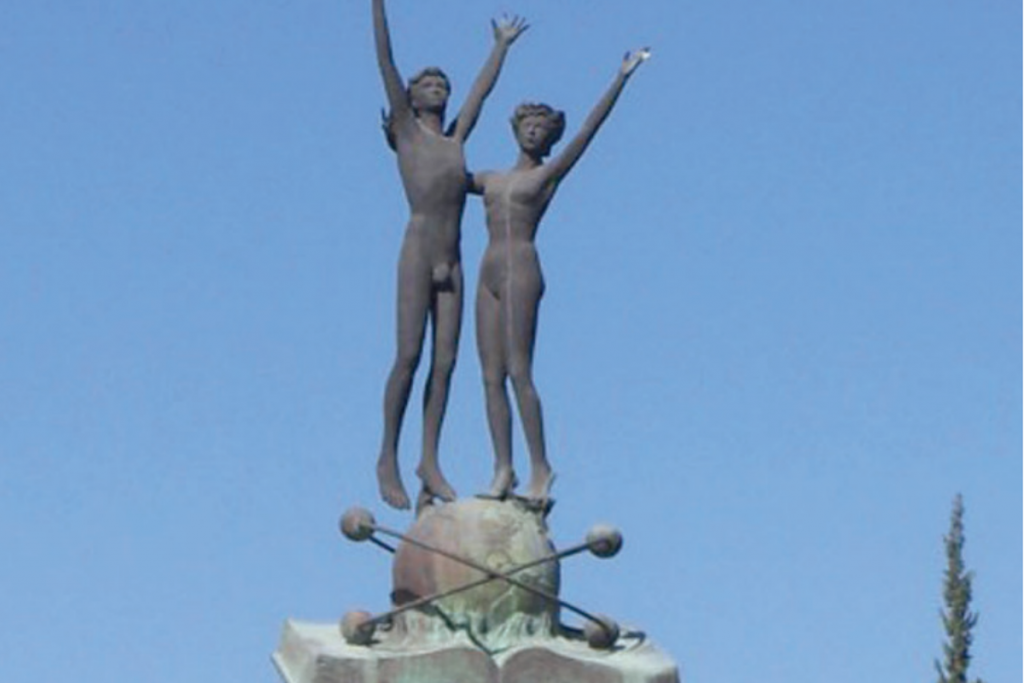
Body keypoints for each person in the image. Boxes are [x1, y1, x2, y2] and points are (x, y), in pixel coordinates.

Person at [470, 48, 649, 503]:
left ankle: (540, 468)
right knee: (489, 375)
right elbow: (442, 172)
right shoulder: (489, 179)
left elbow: (588, 131)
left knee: (518, 370)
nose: (532, 131)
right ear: (515, 130)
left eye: (540, 127)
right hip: (488, 269)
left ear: (548, 137)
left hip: (521, 266)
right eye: (527, 125)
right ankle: (503, 468)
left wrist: (620, 78)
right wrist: (405, 134)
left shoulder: (546, 176)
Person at [371, 0, 527, 511]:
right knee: (409, 357)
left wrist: (500, 48)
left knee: (446, 363)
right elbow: (385, 59)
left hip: (453, 258)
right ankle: (388, 456)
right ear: (411, 98)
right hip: (418, 250)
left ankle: (428, 461)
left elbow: (481, 93)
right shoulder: (408, 131)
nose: (438, 87)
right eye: (428, 84)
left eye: (443, 83)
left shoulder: (456, 139)